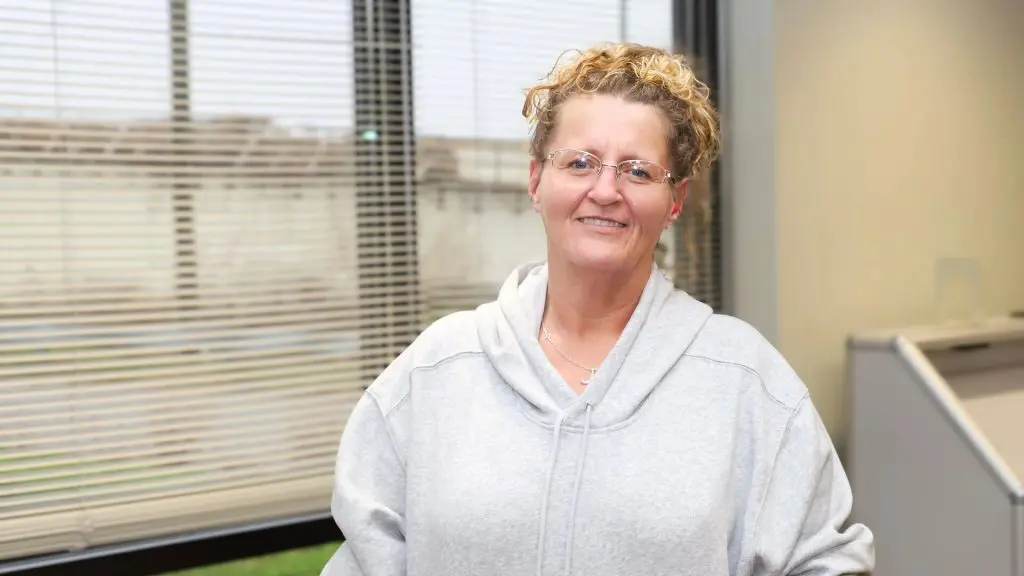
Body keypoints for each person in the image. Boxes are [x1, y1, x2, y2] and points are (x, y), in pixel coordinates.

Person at [321, 42, 874, 576]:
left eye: (638, 170)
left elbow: (827, 560)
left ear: (674, 201)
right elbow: (366, 558)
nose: (606, 190)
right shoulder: (437, 369)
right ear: (537, 180)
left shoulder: (743, 379)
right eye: (580, 163)